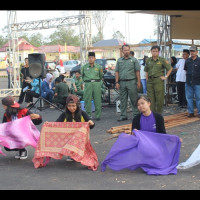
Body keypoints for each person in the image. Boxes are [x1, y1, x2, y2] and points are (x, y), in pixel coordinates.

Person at [56, 94, 95, 161]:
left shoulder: (83, 113)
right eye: (69, 106)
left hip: (80, 138)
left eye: (73, 106)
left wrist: (92, 123)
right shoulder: (64, 114)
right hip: (68, 137)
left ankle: (77, 153)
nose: (71, 108)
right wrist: (48, 124)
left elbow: (91, 125)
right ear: (66, 106)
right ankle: (71, 153)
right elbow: (56, 124)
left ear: (77, 105)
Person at [115, 44, 141, 121]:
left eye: (128, 50)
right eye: (125, 50)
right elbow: (117, 72)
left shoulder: (134, 60)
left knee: (134, 99)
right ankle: (123, 115)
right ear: (122, 51)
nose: (126, 51)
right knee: (123, 100)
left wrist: (138, 82)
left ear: (129, 51)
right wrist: (116, 82)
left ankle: (136, 115)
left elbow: (137, 72)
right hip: (122, 82)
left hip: (132, 82)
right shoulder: (119, 60)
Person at [144, 45, 172, 114]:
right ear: (151, 52)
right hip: (150, 81)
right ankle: (152, 114)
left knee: (159, 99)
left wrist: (166, 76)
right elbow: (146, 70)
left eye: (156, 51)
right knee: (150, 99)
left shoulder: (162, 60)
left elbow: (170, 68)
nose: (154, 53)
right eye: (153, 51)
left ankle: (159, 115)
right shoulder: (148, 60)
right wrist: (147, 78)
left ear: (158, 52)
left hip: (158, 80)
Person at [81, 52, 103, 120]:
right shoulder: (84, 67)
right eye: (89, 58)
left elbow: (101, 76)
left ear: (95, 58)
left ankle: (98, 115)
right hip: (88, 84)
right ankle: (88, 115)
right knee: (87, 100)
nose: (90, 59)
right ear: (88, 58)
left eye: (92, 58)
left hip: (96, 83)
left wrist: (97, 82)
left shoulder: (99, 67)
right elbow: (82, 76)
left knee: (97, 100)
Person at [184, 45, 200, 118]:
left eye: (193, 51)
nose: (192, 52)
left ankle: (199, 113)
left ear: (197, 52)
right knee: (189, 98)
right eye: (191, 51)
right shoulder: (187, 61)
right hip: (188, 82)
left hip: (198, 82)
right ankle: (191, 112)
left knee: (198, 98)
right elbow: (186, 70)